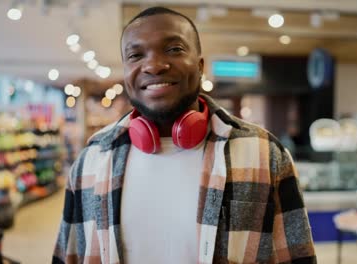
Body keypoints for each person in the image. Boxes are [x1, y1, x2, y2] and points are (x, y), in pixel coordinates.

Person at [53, 6, 316, 264]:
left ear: (200, 66)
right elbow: (67, 257)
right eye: (136, 55)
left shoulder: (264, 154)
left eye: (174, 49)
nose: (154, 66)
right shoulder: (92, 159)